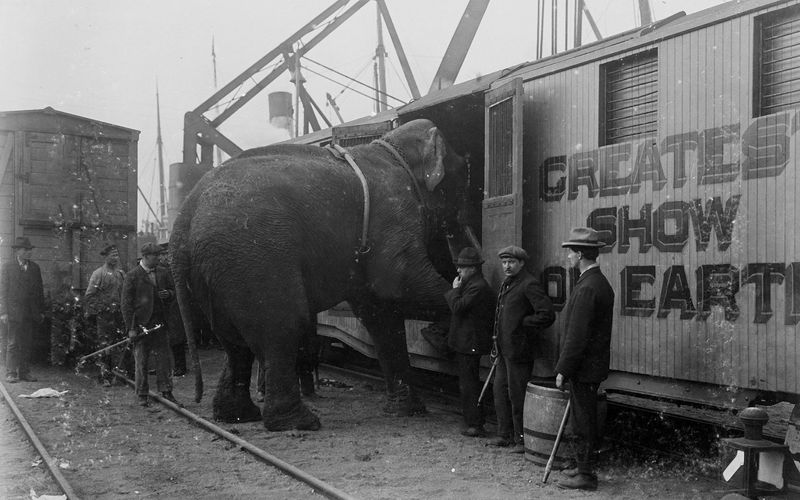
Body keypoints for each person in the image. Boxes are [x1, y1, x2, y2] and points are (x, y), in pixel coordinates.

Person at [555, 227, 614, 491]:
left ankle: (586, 475)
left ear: (580, 255)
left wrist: (563, 369)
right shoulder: (596, 283)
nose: (567, 257)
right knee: (584, 418)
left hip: (583, 367)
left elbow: (577, 337)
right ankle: (582, 469)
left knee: (582, 421)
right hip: (591, 366)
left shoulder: (587, 287)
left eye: (570, 252)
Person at [488, 245, 555, 453]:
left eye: (511, 263)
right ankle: (504, 434)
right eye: (504, 262)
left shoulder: (529, 284)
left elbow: (547, 314)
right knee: (499, 391)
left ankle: (520, 439)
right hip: (504, 350)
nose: (507, 266)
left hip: (519, 350)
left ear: (522, 263)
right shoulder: (508, 283)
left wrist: (523, 323)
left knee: (517, 396)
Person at [444, 247, 495, 437]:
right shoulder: (473, 284)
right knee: (467, 383)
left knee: (469, 384)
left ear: (473, 268)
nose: (459, 270)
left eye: (462, 267)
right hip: (466, 342)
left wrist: (455, 290)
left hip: (469, 342)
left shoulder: (477, 287)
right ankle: (472, 421)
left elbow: (458, 307)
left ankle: (475, 424)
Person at [121, 243, 180, 407]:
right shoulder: (132, 276)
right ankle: (142, 394)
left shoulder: (163, 272)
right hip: (141, 326)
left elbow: (174, 291)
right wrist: (131, 329)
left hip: (160, 324)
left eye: (160, 255)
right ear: (146, 257)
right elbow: (126, 305)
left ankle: (167, 391)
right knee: (141, 361)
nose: (159, 258)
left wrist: (168, 294)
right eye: (156, 256)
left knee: (164, 359)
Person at [0, 237, 45, 383]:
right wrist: (4, 312)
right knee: (12, 343)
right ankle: (11, 373)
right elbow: (3, 291)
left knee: (27, 343)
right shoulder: (8, 267)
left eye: (29, 250)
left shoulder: (34, 268)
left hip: (30, 313)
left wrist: (41, 311)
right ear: (17, 251)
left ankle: (24, 373)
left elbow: (39, 292)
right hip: (13, 313)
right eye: (25, 250)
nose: (28, 252)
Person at [84, 244, 128, 385]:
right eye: (112, 255)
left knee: (120, 344)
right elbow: (89, 296)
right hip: (105, 316)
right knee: (105, 345)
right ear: (106, 257)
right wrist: (103, 308)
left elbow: (125, 294)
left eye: (116, 255)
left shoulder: (121, 274)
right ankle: (104, 376)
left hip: (119, 315)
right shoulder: (98, 274)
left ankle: (119, 375)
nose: (115, 258)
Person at [158, 242, 187, 377]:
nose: (164, 257)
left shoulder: (174, 269)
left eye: (166, 254)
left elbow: (181, 288)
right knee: (159, 338)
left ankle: (180, 366)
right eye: (162, 255)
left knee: (176, 337)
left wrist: (169, 294)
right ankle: (161, 366)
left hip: (174, 307)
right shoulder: (156, 269)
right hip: (160, 308)